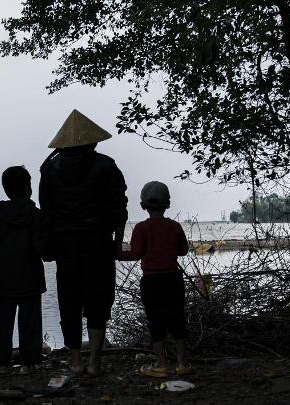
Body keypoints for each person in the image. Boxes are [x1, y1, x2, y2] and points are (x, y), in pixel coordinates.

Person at [39, 109, 128, 376]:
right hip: (98, 243)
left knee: (69, 301)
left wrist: (48, 245)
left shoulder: (50, 168)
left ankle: (76, 361)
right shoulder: (106, 165)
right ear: (92, 141)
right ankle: (94, 362)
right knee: (99, 301)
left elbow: (46, 211)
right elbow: (119, 208)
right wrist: (118, 243)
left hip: (65, 245)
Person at [117, 181, 191, 377]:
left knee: (155, 321)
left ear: (143, 205)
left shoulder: (141, 228)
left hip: (151, 282)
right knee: (177, 319)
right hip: (173, 279)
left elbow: (135, 254)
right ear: (167, 204)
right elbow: (183, 250)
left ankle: (161, 364)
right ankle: (183, 364)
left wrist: (116, 253)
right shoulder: (175, 226)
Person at [0, 166, 47, 375]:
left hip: (3, 280)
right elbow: (42, 248)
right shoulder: (36, 216)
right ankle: (30, 362)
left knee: (2, 322)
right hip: (30, 279)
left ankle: (0, 362)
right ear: (28, 188)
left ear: (6, 189)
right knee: (30, 322)